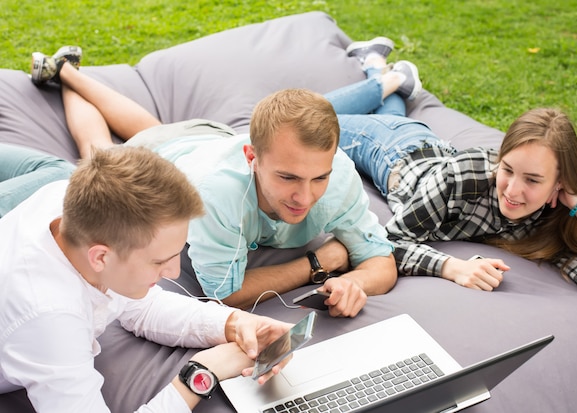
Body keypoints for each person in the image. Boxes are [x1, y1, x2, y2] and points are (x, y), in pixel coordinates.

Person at [27, 39, 412, 317]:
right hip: (162, 160)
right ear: (253, 159)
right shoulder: (218, 195)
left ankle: (66, 70)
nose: (305, 197)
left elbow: (381, 260)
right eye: (288, 177)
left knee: (152, 125)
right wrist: (318, 262)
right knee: (98, 151)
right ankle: (65, 74)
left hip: (207, 138)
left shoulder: (340, 175)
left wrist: (354, 284)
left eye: (318, 178)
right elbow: (226, 296)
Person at [0, 145, 293, 412]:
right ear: (101, 257)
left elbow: (137, 305)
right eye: (159, 261)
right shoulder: (49, 319)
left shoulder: (76, 206)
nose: (175, 273)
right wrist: (201, 372)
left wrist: (234, 322)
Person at [327, 47, 577, 307]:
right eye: (507, 170)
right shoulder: (466, 176)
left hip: (412, 139)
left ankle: (379, 67)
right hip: (394, 150)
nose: (512, 190)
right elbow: (388, 243)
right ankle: (391, 78)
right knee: (312, 119)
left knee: (390, 116)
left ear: (558, 185)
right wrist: (452, 267)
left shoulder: (549, 225)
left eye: (533, 180)